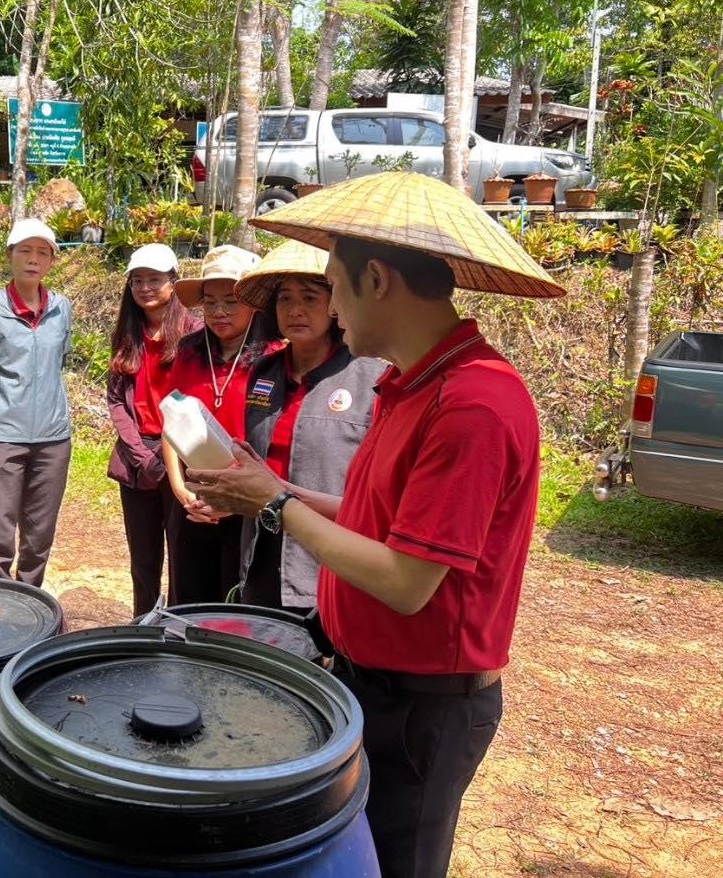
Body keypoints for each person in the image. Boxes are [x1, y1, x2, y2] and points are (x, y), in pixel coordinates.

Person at [184, 172, 565, 878]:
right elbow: (374, 521)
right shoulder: (407, 383)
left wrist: (275, 506)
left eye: (332, 286)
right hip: (372, 681)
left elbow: (406, 581)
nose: (328, 307)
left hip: (422, 704)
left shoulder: (472, 404)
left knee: (397, 864)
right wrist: (271, 488)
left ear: (378, 280)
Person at [232, 240, 384, 614]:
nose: (295, 310)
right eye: (284, 298)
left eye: (310, 298)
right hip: (262, 546)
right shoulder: (265, 372)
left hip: (330, 554)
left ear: (336, 304)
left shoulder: (371, 378)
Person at [161, 244, 275, 604]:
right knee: (187, 598)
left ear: (254, 304)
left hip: (246, 504)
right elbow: (171, 422)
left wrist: (233, 502)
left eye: (231, 301)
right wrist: (180, 488)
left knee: (235, 602)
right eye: (210, 302)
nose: (219, 311)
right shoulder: (189, 350)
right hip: (192, 499)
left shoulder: (275, 357)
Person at [0, 217, 73, 587]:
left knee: (40, 531)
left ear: (52, 261)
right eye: (25, 250)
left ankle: (31, 598)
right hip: (1, 436)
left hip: (53, 438)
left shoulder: (61, 308)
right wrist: (2, 400)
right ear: (10, 254)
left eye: (43, 252)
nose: (33, 259)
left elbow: (60, 359)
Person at [106, 243, 201, 616]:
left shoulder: (194, 333)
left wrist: (166, 455)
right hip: (137, 455)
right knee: (143, 558)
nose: (145, 287)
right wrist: (140, 454)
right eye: (137, 280)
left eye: (155, 279)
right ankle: (142, 622)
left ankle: (177, 624)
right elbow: (117, 401)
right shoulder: (128, 332)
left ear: (174, 281)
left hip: (182, 455)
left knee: (183, 553)